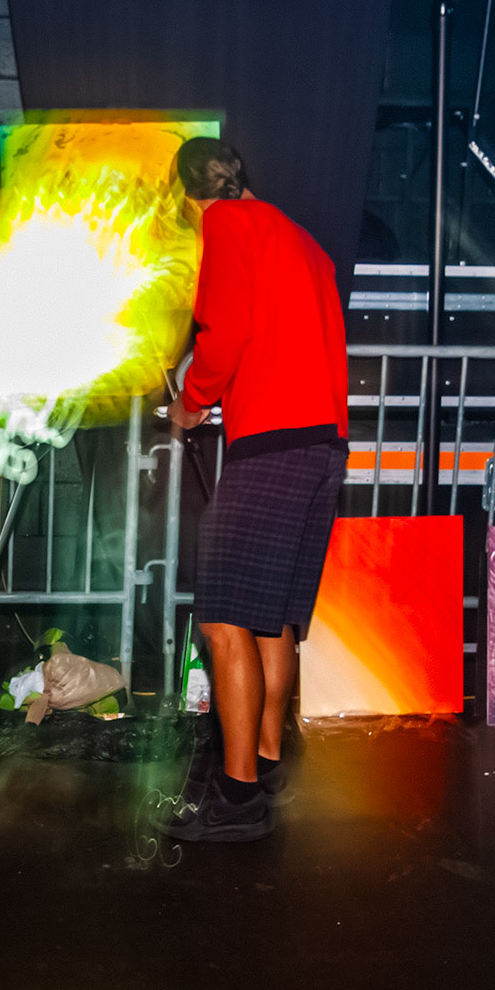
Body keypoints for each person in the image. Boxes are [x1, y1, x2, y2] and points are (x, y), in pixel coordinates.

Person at [157, 138, 348, 843]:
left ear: (189, 195)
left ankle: (237, 799)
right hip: (323, 444)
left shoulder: (227, 224)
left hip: (272, 441)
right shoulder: (301, 239)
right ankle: (264, 763)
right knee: (271, 618)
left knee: (224, 619)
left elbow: (226, 330)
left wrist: (191, 403)